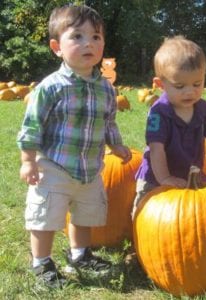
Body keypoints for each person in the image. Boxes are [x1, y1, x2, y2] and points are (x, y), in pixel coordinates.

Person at [17, 4, 131, 288]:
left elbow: (108, 122)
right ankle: (41, 261)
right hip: (54, 166)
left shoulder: (106, 88)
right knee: (45, 216)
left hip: (90, 168)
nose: (88, 44)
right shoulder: (50, 87)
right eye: (77, 37)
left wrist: (116, 145)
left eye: (96, 37)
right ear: (57, 47)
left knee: (85, 213)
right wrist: (28, 160)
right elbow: (32, 125)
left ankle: (80, 254)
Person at [132, 36, 206, 216]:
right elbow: (156, 148)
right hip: (156, 176)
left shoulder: (205, 110)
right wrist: (165, 178)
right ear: (160, 84)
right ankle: (140, 237)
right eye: (179, 86)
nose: (190, 91)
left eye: (197, 84)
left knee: (193, 215)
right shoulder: (159, 112)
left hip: (190, 174)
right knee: (146, 211)